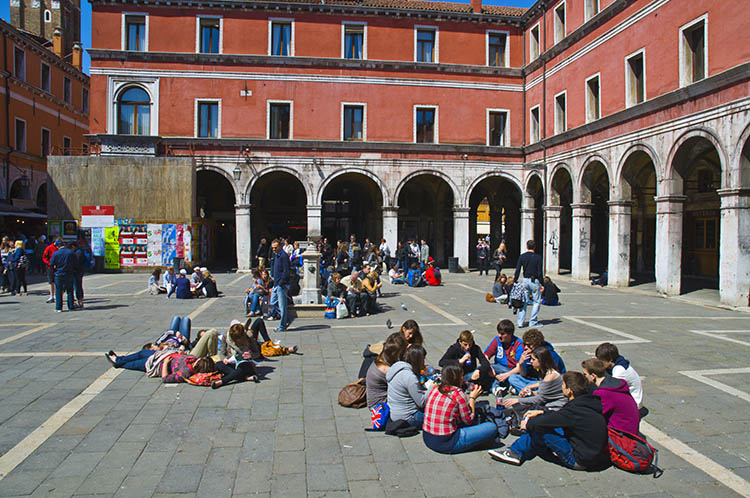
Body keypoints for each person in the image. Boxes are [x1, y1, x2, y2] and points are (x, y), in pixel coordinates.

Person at [488, 371, 610, 470]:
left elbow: (551, 420)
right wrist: (543, 412)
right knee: (544, 423)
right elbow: (559, 417)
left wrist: (528, 425)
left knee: (540, 429)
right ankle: (527, 447)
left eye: (563, 385)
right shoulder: (588, 402)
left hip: (579, 460)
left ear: (569, 391)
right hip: (593, 454)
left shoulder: (574, 411)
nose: (561, 387)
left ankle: (515, 451)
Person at [423, 363, 499, 454]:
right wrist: (472, 398)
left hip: (427, 437)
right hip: (447, 442)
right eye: (461, 376)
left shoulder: (435, 389)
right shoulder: (457, 393)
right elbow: (468, 420)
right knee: (491, 428)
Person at [581, 359, 640, 434]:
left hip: (621, 434)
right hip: (631, 428)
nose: (583, 377)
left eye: (585, 374)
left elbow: (593, 415)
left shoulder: (603, 393)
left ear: (593, 376)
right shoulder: (618, 383)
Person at [500, 346, 566, 412]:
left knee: (519, 407)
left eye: (533, 359)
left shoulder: (550, 376)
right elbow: (544, 391)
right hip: (547, 403)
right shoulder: (548, 372)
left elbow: (540, 399)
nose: (531, 361)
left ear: (541, 361)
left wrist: (517, 400)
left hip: (553, 407)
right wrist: (530, 391)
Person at [508, 328, 566, 393]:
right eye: (525, 344)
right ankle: (527, 391)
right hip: (534, 380)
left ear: (537, 344)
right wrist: (521, 363)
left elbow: (553, 378)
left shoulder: (550, 354)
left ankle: (527, 392)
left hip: (547, 382)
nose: (526, 347)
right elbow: (523, 375)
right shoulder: (529, 353)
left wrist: (531, 386)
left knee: (529, 385)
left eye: (529, 345)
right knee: (512, 377)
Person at [386, 344, 428, 428]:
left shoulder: (396, 367)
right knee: (438, 415)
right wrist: (432, 388)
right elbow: (421, 402)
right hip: (408, 417)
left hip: (394, 412)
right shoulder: (410, 377)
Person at [594, 343, 645, 412]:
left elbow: (610, 389)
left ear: (610, 360)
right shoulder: (614, 364)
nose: (599, 363)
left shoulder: (620, 370)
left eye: (601, 361)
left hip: (634, 404)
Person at [366, 332, 408, 409]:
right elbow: (404, 386)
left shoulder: (382, 359)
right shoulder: (386, 369)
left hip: (375, 401)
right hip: (380, 405)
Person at [484, 319, 525, 396]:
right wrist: (488, 367)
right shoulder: (497, 340)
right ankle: (503, 387)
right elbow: (485, 356)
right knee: (483, 369)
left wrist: (505, 375)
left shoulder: (518, 345)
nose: (499, 335)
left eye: (502, 334)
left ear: (510, 334)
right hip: (497, 370)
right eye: (499, 333)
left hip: (511, 371)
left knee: (509, 376)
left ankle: (495, 387)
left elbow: (519, 367)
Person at [212, 322, 259, 388]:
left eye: (238, 339)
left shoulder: (249, 336)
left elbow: (257, 353)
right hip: (231, 362)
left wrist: (250, 355)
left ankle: (222, 381)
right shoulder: (226, 336)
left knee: (244, 367)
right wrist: (224, 359)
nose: (237, 341)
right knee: (218, 365)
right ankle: (245, 377)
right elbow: (222, 352)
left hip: (244, 363)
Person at [514, 240, 543, 328]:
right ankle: (533, 322)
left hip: (525, 280)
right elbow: (539, 272)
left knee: (524, 301)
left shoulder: (522, 256)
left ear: (527, 246)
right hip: (534, 280)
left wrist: (515, 280)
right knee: (536, 301)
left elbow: (518, 269)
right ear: (534, 247)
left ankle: (520, 322)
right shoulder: (538, 257)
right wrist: (542, 283)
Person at [49, 241, 77, 312]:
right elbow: (75, 263)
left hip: (59, 273)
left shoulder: (56, 253)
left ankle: (59, 307)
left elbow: (51, 264)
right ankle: (71, 306)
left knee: (58, 290)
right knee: (70, 290)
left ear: (58, 246)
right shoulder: (70, 253)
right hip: (69, 273)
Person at [270, 239, 291, 331]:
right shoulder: (276, 256)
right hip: (276, 283)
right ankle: (286, 317)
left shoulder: (283, 256)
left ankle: (282, 325)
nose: (273, 249)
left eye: (275, 247)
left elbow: (286, 271)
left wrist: (281, 282)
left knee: (282, 305)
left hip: (281, 284)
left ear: (280, 246)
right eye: (272, 248)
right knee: (273, 302)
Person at [42, 238, 62, 303]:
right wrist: (49, 263)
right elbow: (44, 257)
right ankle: (52, 295)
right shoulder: (49, 248)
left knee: (58, 282)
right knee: (51, 282)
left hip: (58, 267)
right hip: (50, 267)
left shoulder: (60, 248)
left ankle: (57, 295)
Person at [72, 241, 86, 309]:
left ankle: (80, 301)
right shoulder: (79, 251)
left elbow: (77, 263)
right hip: (79, 271)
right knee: (78, 286)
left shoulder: (78, 253)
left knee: (77, 286)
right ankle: (80, 300)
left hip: (77, 271)